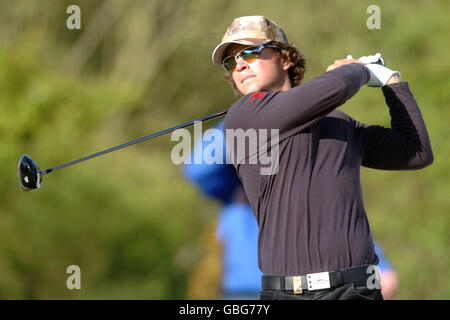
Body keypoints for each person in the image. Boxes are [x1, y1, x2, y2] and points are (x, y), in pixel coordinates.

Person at [211, 15, 433, 300]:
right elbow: (337, 87)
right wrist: (359, 69)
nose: (239, 64)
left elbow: (416, 152)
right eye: (231, 61)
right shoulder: (243, 117)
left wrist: (392, 83)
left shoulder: (341, 124)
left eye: (251, 52)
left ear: (285, 60)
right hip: (287, 294)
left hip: (356, 291)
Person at [184, 120, 400, 300]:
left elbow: (347, 233)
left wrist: (377, 267)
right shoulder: (236, 184)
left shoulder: (312, 187)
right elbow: (197, 168)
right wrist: (246, 116)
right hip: (246, 293)